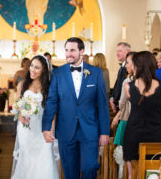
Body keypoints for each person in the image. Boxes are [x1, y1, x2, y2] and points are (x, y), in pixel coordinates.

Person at [42, 37, 110, 179]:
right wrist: (46, 127)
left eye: (72, 50)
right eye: (66, 50)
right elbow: (52, 101)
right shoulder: (58, 73)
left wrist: (105, 132)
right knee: (70, 172)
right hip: (66, 130)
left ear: (81, 51)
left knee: (90, 167)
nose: (69, 54)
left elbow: (103, 105)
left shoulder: (96, 73)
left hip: (90, 130)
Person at [11, 55, 59, 179]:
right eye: (32, 66)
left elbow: (53, 109)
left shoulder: (49, 87)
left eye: (37, 67)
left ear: (44, 70)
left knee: (44, 159)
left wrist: (51, 129)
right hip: (26, 128)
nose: (32, 69)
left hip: (43, 128)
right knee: (26, 159)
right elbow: (16, 106)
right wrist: (21, 115)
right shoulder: (23, 84)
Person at [123, 51, 161, 178]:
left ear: (139, 66)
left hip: (133, 133)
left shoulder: (128, 86)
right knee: (153, 174)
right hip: (155, 134)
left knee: (133, 175)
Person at [111, 52, 136, 146]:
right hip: (141, 123)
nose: (125, 66)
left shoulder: (128, 81)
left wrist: (118, 115)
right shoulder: (149, 81)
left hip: (126, 118)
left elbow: (121, 103)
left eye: (128, 63)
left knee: (124, 151)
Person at [110, 42, 131, 113]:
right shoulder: (121, 67)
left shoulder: (129, 68)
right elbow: (117, 84)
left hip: (124, 107)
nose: (117, 53)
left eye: (120, 51)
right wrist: (112, 98)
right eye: (116, 51)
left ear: (128, 52)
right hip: (118, 105)